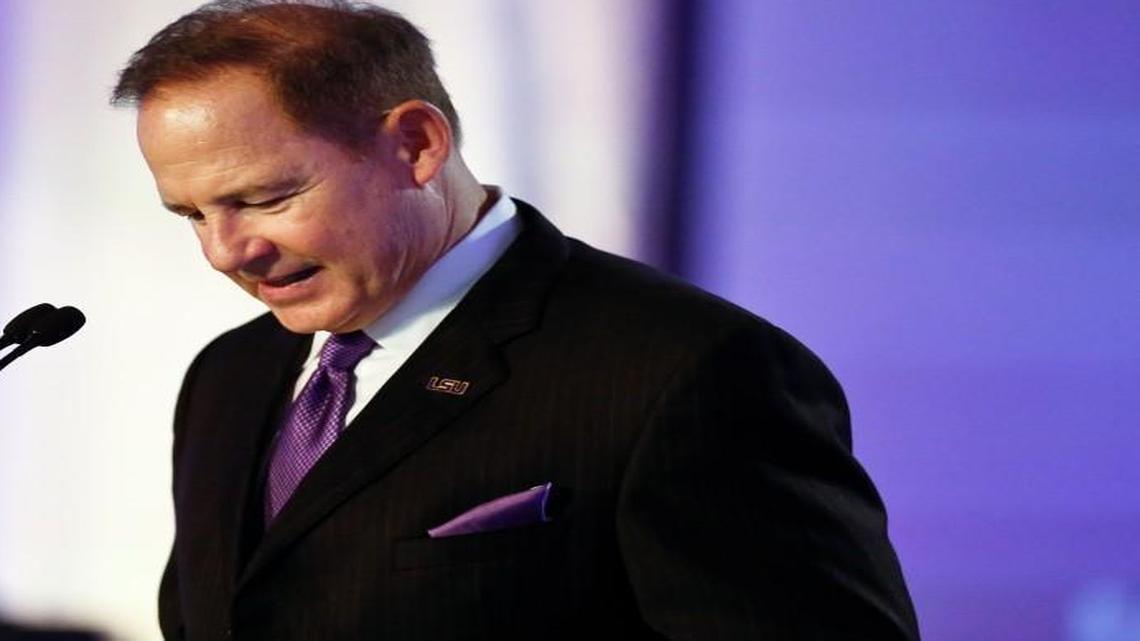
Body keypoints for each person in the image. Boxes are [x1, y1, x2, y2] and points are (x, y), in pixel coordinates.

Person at [113, 1, 920, 639]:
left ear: (417, 144)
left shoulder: (685, 369)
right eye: (192, 213)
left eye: (265, 198)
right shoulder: (232, 373)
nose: (226, 252)